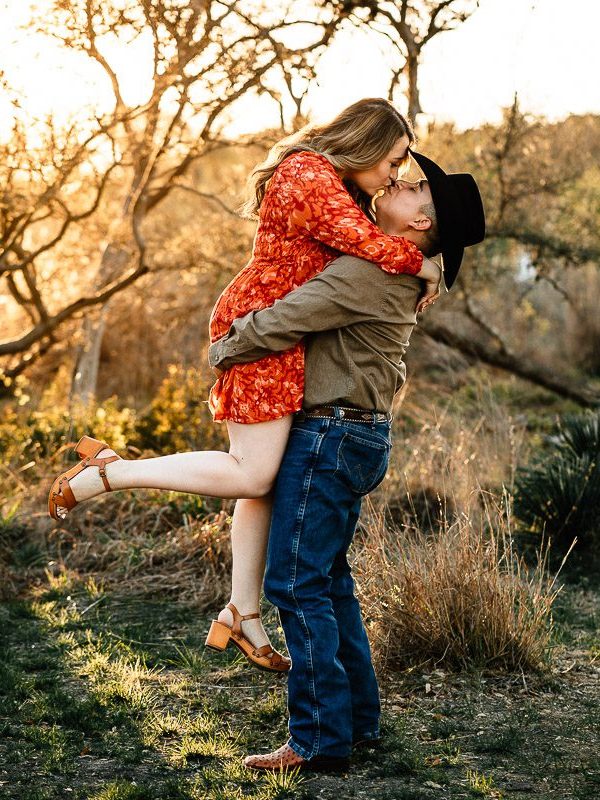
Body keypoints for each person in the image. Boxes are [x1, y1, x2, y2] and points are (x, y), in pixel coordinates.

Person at [47, 99, 442, 671]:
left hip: (286, 330)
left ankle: (242, 612)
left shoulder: (336, 181)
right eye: (394, 161)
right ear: (366, 142)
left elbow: (377, 247)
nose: (395, 175)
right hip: (263, 326)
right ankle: (110, 471)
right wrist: (430, 266)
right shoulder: (308, 175)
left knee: (264, 478)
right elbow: (377, 247)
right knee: (253, 471)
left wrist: (427, 263)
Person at [207, 150, 486, 771]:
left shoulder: (369, 274)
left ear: (419, 223)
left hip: (330, 436)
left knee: (296, 584)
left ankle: (317, 740)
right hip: (356, 436)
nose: (404, 183)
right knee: (328, 582)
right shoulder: (395, 268)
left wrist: (226, 346)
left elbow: (286, 319)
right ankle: (356, 722)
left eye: (416, 190)